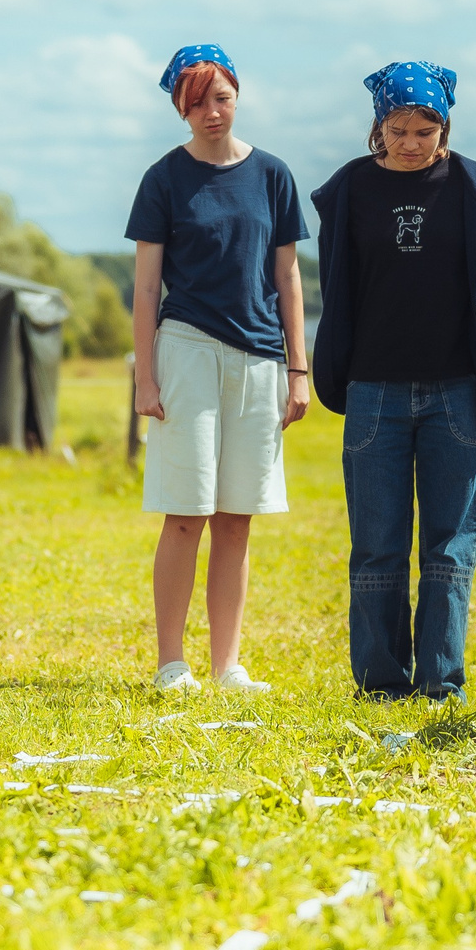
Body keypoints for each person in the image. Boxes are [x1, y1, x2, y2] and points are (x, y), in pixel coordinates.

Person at [308, 62, 476, 703]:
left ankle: (441, 682)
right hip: (373, 393)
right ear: (377, 128)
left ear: (446, 126)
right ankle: (380, 682)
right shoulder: (348, 192)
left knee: (449, 546)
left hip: (456, 393)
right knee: (376, 547)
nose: (412, 142)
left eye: (426, 129)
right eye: (398, 129)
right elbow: (338, 286)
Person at [127, 44, 309, 694]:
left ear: (239, 96)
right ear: (180, 107)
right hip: (188, 349)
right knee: (186, 511)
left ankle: (228, 664)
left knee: (238, 515)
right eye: (196, 101)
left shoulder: (274, 175)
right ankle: (171, 662)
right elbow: (146, 289)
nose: (211, 111)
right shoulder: (164, 179)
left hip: (260, 358)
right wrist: (146, 379)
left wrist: (298, 369)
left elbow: (287, 277)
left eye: (221, 97)